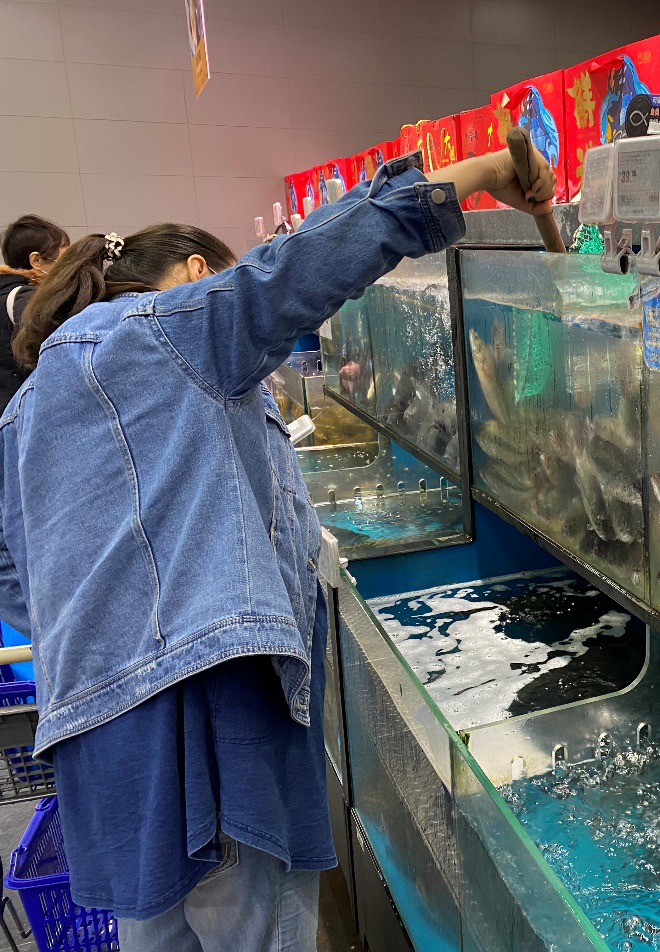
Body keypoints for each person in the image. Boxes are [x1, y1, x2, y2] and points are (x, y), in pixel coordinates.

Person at [1, 144, 555, 951]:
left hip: (101, 755)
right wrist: (481, 171)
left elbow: (14, 572)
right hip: (210, 729)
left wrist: (112, 624)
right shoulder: (168, 332)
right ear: (197, 274)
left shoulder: (27, 405)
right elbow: (301, 266)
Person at [0, 215, 69, 406]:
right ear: (36, 260)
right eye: (65, 251)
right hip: (23, 408)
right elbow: (56, 355)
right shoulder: (26, 298)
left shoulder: (5, 292)